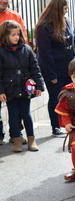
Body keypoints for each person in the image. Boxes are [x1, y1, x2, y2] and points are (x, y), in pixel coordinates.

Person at [35, 0, 75, 137]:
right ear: (57, 9)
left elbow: (67, 40)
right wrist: (52, 75)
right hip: (54, 69)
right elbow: (44, 54)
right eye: (64, 9)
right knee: (56, 98)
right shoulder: (44, 27)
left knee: (70, 98)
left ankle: (69, 124)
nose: (66, 11)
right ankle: (56, 126)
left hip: (69, 68)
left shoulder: (66, 21)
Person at [0, 20, 44, 152]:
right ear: (5, 36)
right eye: (13, 34)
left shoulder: (27, 49)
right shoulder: (1, 52)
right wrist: (1, 91)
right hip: (10, 90)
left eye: (18, 34)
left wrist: (39, 86)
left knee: (26, 114)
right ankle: (17, 140)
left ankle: (31, 140)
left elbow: (35, 69)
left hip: (26, 89)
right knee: (13, 116)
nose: (16, 37)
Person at [0, 0, 28, 145]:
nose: (5, 1)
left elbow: (24, 42)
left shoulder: (15, 16)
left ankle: (16, 133)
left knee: (16, 105)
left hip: (11, 69)